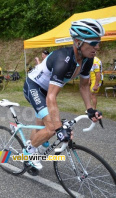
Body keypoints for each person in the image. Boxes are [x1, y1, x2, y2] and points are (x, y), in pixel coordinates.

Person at [23, 19, 104, 171]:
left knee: (43, 125)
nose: (97, 47)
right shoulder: (63, 60)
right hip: (34, 87)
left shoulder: (88, 59)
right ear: (78, 42)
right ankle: (28, 152)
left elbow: (84, 85)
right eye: (93, 43)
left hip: (47, 91)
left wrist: (90, 109)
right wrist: (59, 128)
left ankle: (34, 145)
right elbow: (51, 97)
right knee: (53, 127)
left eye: (99, 42)